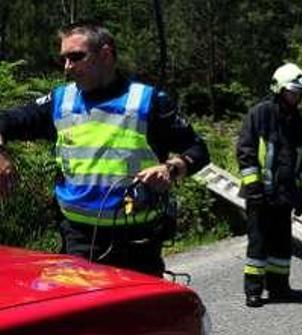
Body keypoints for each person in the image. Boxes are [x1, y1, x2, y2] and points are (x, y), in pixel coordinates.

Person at [0, 20, 208, 276]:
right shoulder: (60, 101)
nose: (67, 67)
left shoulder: (147, 101)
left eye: (76, 57)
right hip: (79, 240)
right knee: (84, 315)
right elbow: (5, 121)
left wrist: (172, 168)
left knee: (138, 314)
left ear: (106, 55)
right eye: (64, 59)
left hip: (138, 242)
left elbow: (198, 150)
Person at [237, 63, 302, 308]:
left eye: (299, 93)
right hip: (260, 194)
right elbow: (246, 152)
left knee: (281, 244)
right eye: (293, 91)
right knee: (258, 242)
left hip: (284, 195)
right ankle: (254, 290)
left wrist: (301, 192)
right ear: (279, 89)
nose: (297, 97)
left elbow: (300, 160)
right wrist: (253, 186)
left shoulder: (297, 121)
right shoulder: (260, 114)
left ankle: (279, 288)